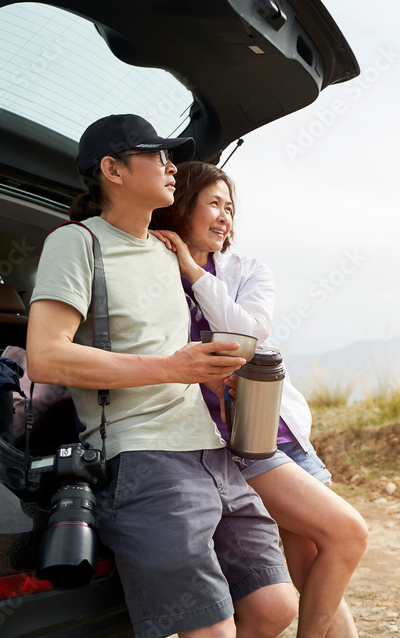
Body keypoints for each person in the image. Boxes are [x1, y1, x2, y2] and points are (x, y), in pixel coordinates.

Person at [26, 115, 297, 638]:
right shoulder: (76, 242)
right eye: (158, 156)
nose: (172, 167)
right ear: (113, 169)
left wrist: (215, 378)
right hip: (145, 457)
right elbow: (45, 357)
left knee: (275, 606)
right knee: (212, 631)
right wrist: (173, 369)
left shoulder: (165, 249)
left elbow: (163, 349)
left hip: (212, 451)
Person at [151, 161, 368, 638]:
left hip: (278, 427)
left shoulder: (247, 271)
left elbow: (247, 335)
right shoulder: (153, 267)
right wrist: (180, 268)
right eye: (213, 204)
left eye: (230, 208)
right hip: (235, 441)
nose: (225, 217)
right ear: (182, 205)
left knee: (313, 556)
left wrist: (192, 269)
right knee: (345, 533)